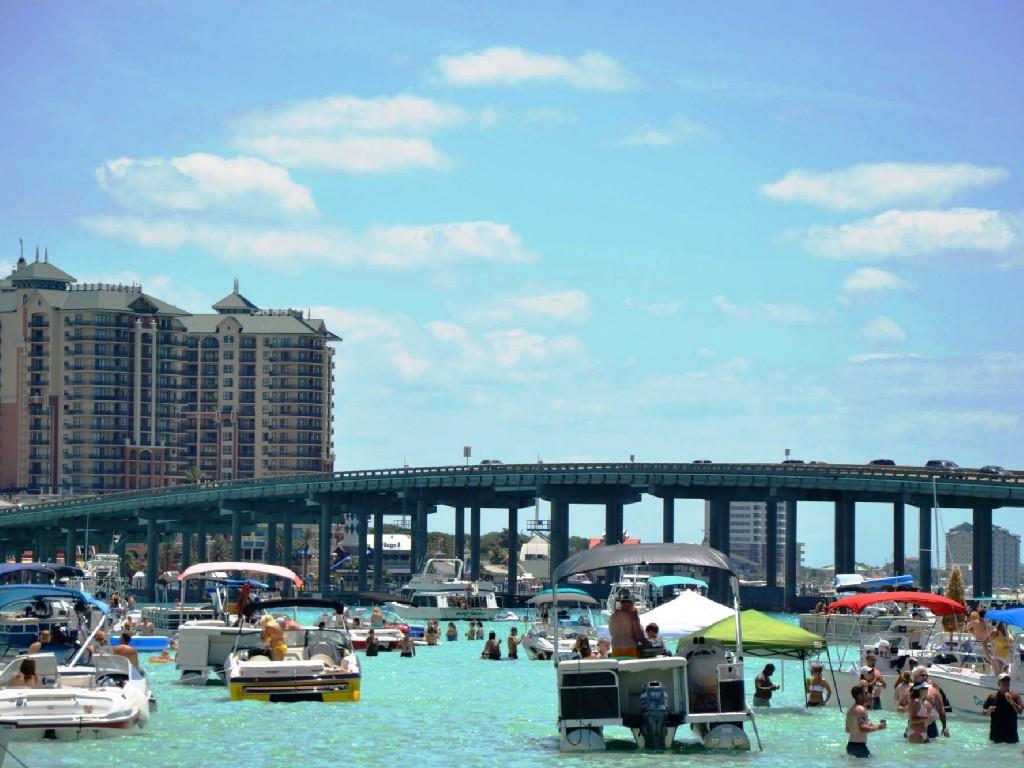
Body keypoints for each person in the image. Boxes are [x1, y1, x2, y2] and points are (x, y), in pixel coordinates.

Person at [845, 684, 887, 758]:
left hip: (850, 746)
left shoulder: (850, 710)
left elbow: (848, 729)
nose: (868, 694)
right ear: (860, 696)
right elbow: (862, 728)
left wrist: (869, 725)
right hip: (860, 747)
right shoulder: (861, 709)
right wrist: (878, 727)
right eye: (866, 693)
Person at [983, 672, 1024, 744]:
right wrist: (988, 711)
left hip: (1011, 739)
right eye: (1003, 680)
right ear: (998, 683)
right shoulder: (992, 697)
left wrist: (1012, 702)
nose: (1006, 682)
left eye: (1008, 680)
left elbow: (1020, 712)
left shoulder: (1015, 696)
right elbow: (983, 712)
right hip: (995, 738)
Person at [911, 667, 950, 739]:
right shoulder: (911, 690)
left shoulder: (933, 690)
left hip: (930, 726)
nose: (925, 677)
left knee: (932, 746)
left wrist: (944, 727)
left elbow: (941, 709)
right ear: (915, 677)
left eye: (927, 675)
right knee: (915, 745)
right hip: (917, 727)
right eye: (922, 675)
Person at [608, 590, 645, 657]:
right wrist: (646, 642)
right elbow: (638, 633)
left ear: (621, 604)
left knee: (618, 667)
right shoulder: (633, 616)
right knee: (630, 667)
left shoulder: (613, 616)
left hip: (616, 647)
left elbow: (611, 632)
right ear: (632, 604)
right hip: (630, 648)